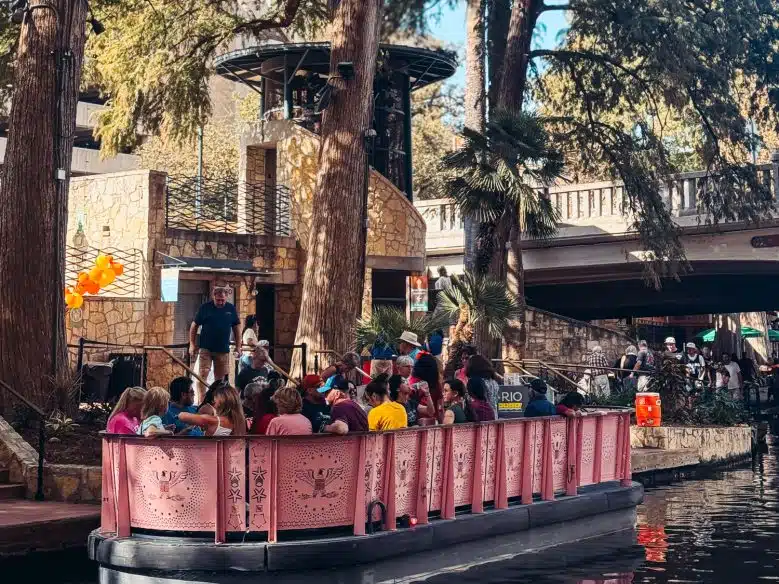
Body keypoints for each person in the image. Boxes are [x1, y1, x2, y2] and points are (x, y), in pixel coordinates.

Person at [189, 286, 241, 402]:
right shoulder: (205, 308)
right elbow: (194, 326)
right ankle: (201, 401)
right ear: (213, 297)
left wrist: (238, 346)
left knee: (220, 379)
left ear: (226, 297)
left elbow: (236, 327)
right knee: (202, 374)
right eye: (218, 300)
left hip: (222, 349)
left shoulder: (230, 308)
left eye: (223, 300)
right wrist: (192, 344)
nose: (220, 302)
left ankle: (218, 401)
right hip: (206, 348)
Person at [178, 384, 247, 436]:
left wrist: (178, 415)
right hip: (237, 454)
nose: (214, 402)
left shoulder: (214, 420)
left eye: (215, 400)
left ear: (220, 402)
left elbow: (183, 416)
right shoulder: (241, 421)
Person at [408, 352, 444, 422]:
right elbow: (440, 408)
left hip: (416, 422)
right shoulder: (436, 384)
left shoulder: (411, 382)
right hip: (433, 422)